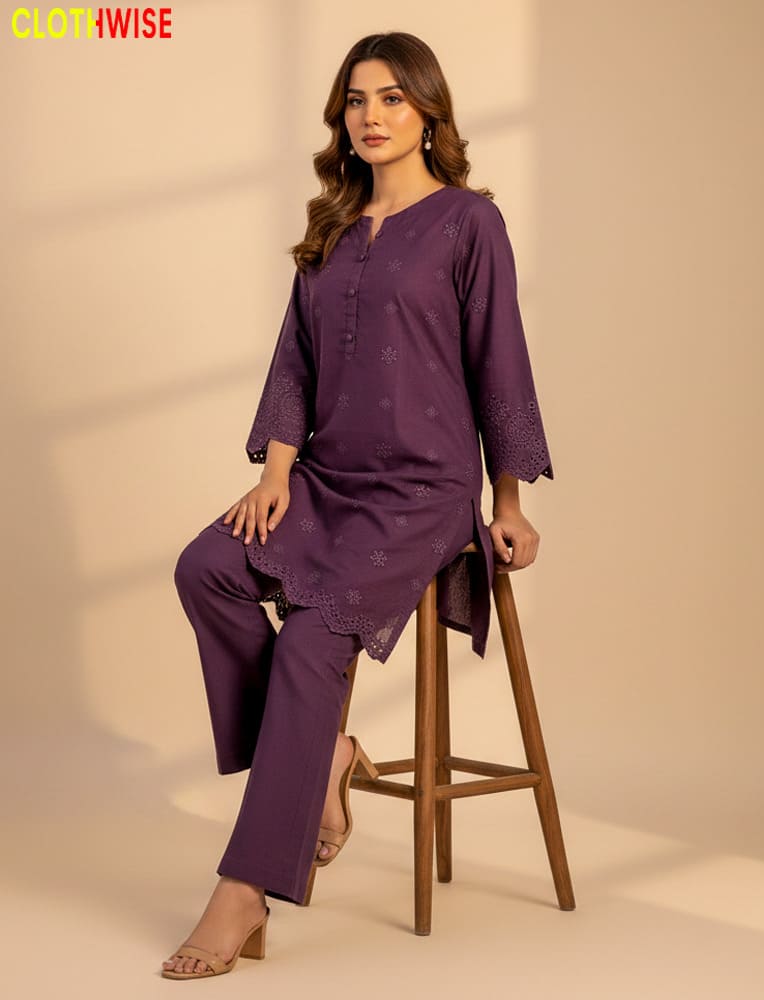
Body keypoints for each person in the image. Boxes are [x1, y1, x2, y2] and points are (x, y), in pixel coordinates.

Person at [161, 30, 554, 979]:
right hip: (325, 478)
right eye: (355, 101)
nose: (370, 117)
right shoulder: (330, 230)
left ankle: (246, 888)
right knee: (205, 567)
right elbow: (294, 360)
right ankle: (325, 753)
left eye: (390, 99)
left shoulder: (468, 222)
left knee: (308, 639)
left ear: (428, 111)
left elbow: (499, 359)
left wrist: (507, 496)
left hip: (419, 492)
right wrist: (275, 474)